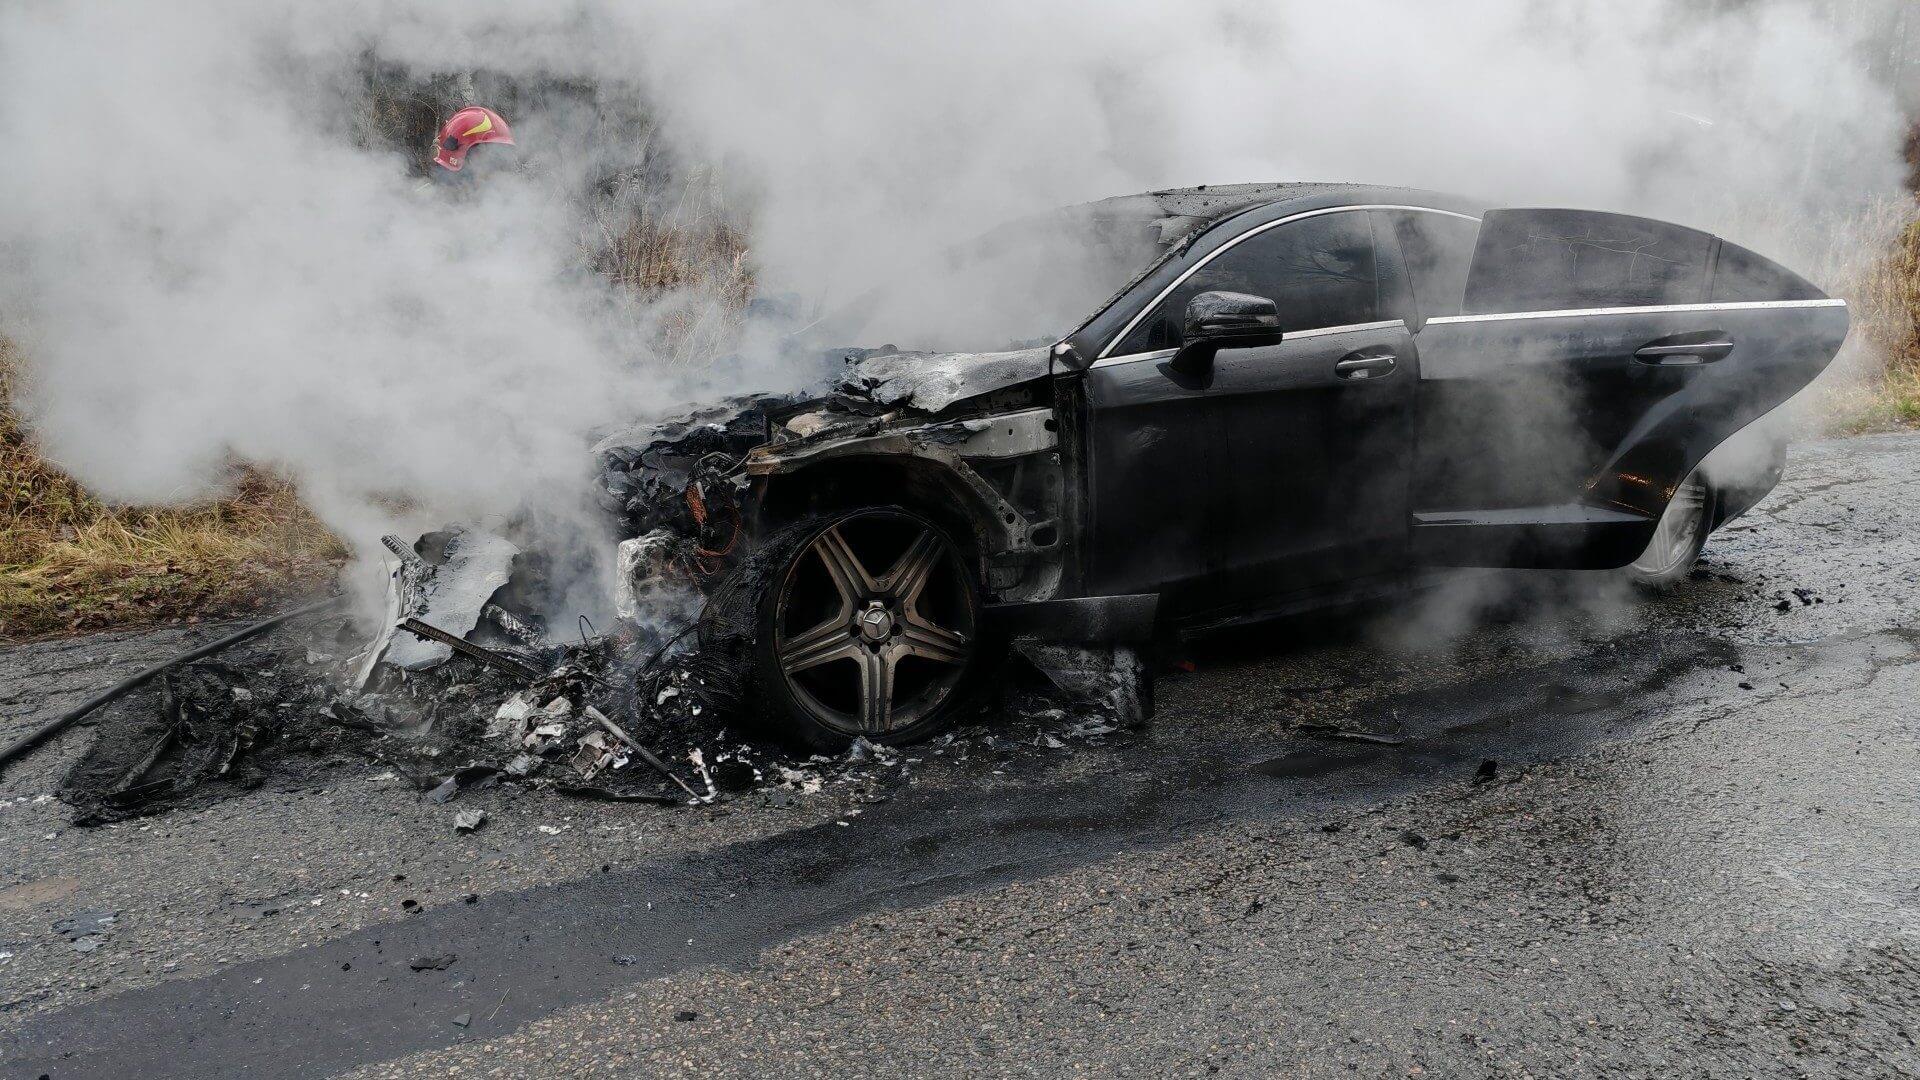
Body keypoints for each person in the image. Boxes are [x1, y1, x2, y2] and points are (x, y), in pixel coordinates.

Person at [430, 105, 515, 186]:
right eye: (484, 157)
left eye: (496, 159)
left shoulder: (506, 195)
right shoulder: (432, 198)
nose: (493, 171)